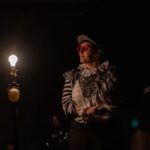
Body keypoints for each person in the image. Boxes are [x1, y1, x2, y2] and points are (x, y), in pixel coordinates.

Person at [62, 34, 120, 150]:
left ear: (97, 52)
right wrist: (84, 112)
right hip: (80, 135)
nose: (80, 51)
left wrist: (105, 109)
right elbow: (66, 104)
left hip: (105, 135)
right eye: (79, 48)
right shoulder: (73, 75)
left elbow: (120, 101)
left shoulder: (111, 73)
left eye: (85, 48)